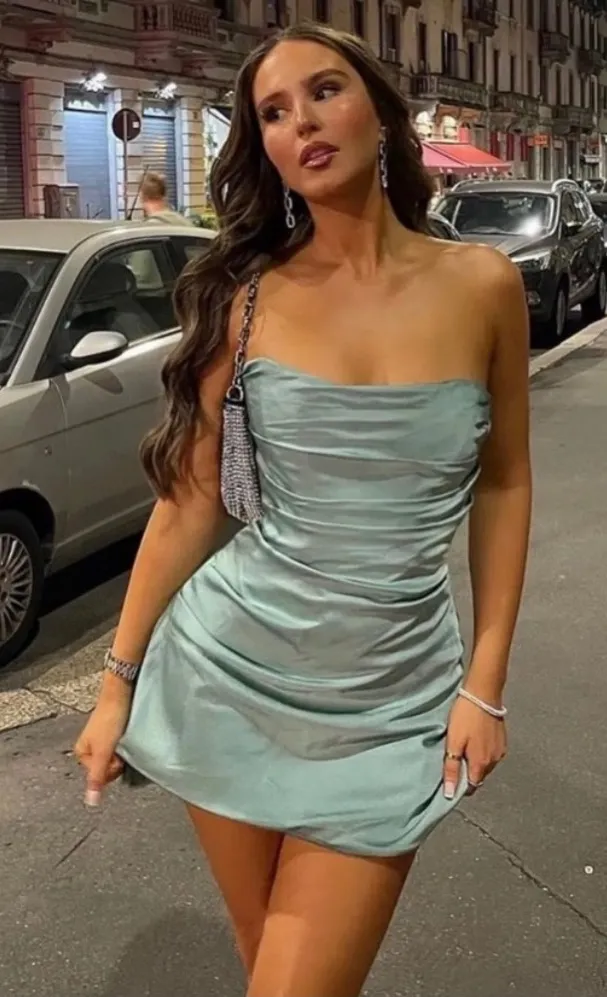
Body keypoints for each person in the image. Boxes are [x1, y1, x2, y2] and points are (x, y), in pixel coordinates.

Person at [75, 23, 531, 997]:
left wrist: (484, 683)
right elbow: (190, 504)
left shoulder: (482, 285)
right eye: (273, 114)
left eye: (324, 91)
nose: (302, 124)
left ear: (380, 111)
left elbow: (503, 483)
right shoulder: (243, 300)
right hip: (228, 675)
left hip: (394, 702)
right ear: (265, 150)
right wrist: (117, 682)